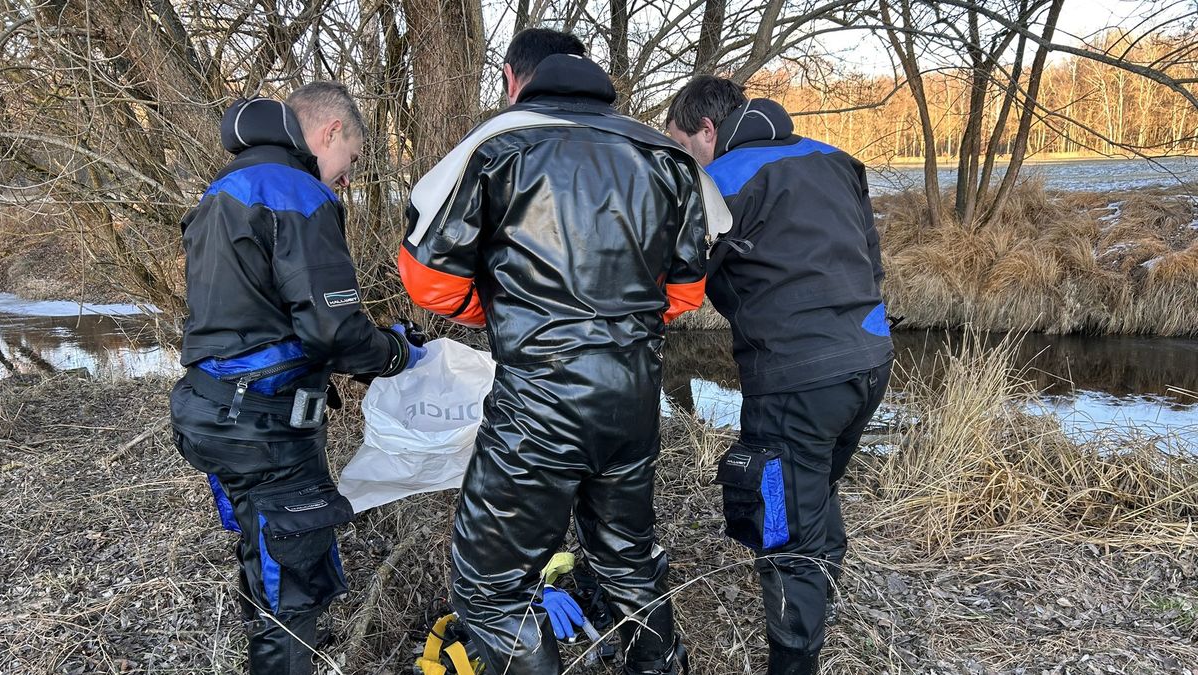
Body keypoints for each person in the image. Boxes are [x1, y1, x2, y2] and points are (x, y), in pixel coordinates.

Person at [399, 28, 728, 675]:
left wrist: (512, 314)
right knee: (627, 563)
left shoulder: (494, 146)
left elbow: (426, 279)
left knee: (491, 590)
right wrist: (617, 323)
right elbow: (688, 291)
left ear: (510, 76)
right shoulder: (664, 153)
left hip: (538, 406)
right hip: (631, 401)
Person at [169, 82, 425, 674]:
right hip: (265, 425)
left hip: (210, 410)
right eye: (352, 160)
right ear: (330, 132)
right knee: (293, 596)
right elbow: (331, 331)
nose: (347, 179)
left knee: (267, 564)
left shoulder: (223, 191)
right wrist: (393, 355)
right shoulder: (297, 193)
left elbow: (256, 317)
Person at [665, 76, 894, 674]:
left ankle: (793, 661)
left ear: (707, 132)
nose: (686, 162)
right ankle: (820, 582)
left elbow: (675, 284)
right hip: (870, 360)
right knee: (810, 491)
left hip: (795, 380)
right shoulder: (832, 157)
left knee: (780, 526)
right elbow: (870, 260)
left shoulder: (724, 181)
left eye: (683, 146)